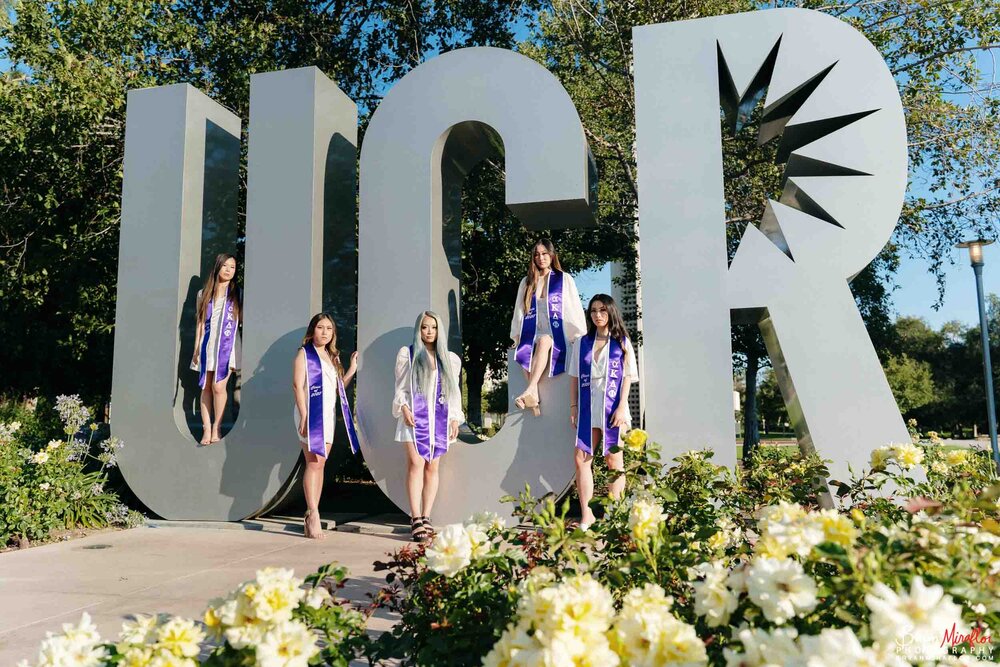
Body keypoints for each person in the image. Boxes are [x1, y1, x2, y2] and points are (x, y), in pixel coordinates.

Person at [392, 311, 464, 542]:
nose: (429, 331)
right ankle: (415, 518)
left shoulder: (449, 358)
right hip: (414, 418)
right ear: (419, 330)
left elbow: (454, 392)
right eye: (425, 327)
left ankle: (426, 516)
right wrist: (404, 408)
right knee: (416, 463)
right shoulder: (408, 354)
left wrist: (454, 417)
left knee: (433, 468)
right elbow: (401, 388)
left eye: (433, 327)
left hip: (439, 421)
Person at [569, 294, 638, 530]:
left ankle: (616, 514)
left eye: (602, 310)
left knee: (613, 460)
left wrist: (621, 406)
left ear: (610, 312)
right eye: (594, 311)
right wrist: (574, 406)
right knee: (581, 459)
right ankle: (587, 515)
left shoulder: (621, 342)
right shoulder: (582, 343)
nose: (598, 315)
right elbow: (575, 377)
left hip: (614, 407)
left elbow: (627, 377)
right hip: (589, 406)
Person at [292, 313, 359, 539]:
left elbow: (339, 388)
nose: (325, 332)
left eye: (329, 328)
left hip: (327, 416)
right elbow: (297, 386)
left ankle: (313, 511)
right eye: (320, 327)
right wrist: (303, 415)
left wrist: (351, 369)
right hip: (311, 414)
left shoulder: (333, 357)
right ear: (313, 330)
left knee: (320, 465)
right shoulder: (304, 354)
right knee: (314, 462)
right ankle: (313, 514)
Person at [508, 239, 586, 415]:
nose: (541, 258)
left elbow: (573, 306)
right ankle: (532, 394)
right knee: (523, 348)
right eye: (537, 254)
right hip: (532, 331)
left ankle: (530, 389)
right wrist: (517, 335)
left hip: (557, 332)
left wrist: (578, 336)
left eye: (544, 254)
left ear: (551, 255)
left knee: (544, 341)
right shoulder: (527, 282)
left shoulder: (563, 279)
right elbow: (519, 310)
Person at [190, 253, 242, 445]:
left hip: (228, 346)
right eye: (225, 266)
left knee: (219, 386)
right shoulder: (203, 294)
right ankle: (206, 428)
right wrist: (196, 348)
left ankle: (217, 426)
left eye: (233, 267)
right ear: (217, 267)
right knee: (206, 387)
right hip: (207, 344)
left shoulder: (237, 293)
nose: (229, 270)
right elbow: (200, 323)